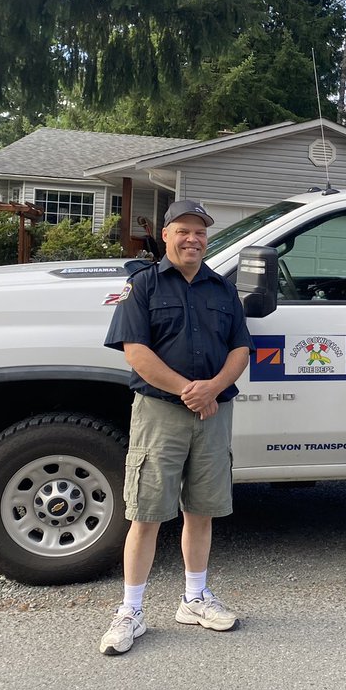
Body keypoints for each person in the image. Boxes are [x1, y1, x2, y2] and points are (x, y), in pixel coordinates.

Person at [99, 199, 254, 655]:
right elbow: (136, 352)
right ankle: (130, 610)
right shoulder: (143, 285)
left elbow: (241, 350)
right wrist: (191, 389)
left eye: (200, 232)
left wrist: (213, 389)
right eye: (183, 231)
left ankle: (194, 598)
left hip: (213, 413)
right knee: (146, 513)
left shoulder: (223, 290)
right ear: (165, 235)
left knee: (200, 510)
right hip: (161, 412)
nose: (193, 239)